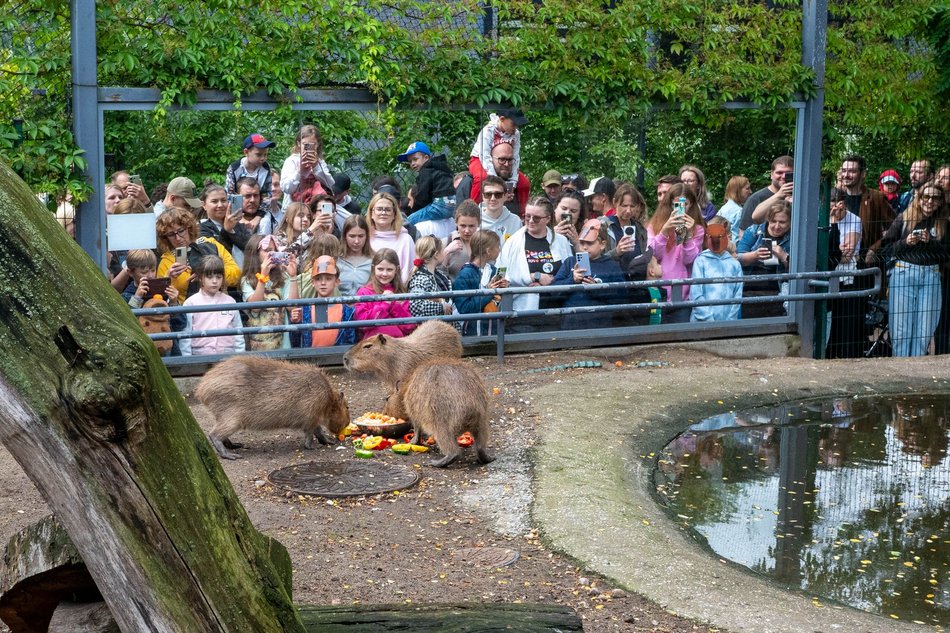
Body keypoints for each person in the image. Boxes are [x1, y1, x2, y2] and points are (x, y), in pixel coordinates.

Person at [879, 183, 949, 357]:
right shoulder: (904, 218)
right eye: (926, 197)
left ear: (941, 202)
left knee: (924, 331)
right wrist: (905, 242)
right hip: (903, 273)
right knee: (901, 331)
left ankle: (917, 375)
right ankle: (901, 372)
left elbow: (947, 255)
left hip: (931, 276)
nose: (930, 201)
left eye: (935, 198)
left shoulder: (944, 224)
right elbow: (885, 248)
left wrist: (931, 242)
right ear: (919, 199)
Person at [550, 220, 639, 330]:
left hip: (600, 328)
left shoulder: (612, 266)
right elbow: (553, 292)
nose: (585, 247)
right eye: (582, 242)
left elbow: (622, 299)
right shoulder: (570, 262)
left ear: (602, 244)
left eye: (590, 243)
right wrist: (572, 279)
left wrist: (598, 289)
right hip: (570, 327)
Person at [496, 196, 573, 312]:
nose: (531, 221)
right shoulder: (513, 242)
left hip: (557, 308)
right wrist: (533, 277)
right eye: (527, 217)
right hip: (522, 310)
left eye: (536, 218)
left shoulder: (561, 241)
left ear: (547, 219)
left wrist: (551, 283)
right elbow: (500, 276)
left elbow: (570, 273)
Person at [647, 183, 706, 322]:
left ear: (691, 205)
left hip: (683, 294)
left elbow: (690, 260)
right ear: (669, 205)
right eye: (676, 205)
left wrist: (687, 236)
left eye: (684, 204)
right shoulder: (654, 225)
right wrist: (664, 231)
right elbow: (653, 254)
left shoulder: (697, 229)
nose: (680, 209)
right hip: (657, 291)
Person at [156, 207, 241, 302]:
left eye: (181, 231)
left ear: (189, 228)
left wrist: (208, 273)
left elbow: (236, 275)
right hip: (186, 310)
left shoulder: (211, 245)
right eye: (171, 234)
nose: (178, 238)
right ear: (165, 237)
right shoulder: (166, 261)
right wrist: (167, 278)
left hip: (217, 305)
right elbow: (159, 297)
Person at [240, 234, 299, 350]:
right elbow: (255, 307)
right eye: (267, 251)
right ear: (255, 255)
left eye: (273, 251)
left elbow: (292, 306)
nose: (271, 255)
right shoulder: (246, 280)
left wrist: (293, 277)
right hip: (259, 345)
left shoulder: (283, 277)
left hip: (283, 345)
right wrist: (263, 276)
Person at [824, 188, 864, 359]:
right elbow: (828, 255)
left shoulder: (854, 219)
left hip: (846, 276)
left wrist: (833, 253)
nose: (837, 213)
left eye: (839, 210)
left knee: (843, 320)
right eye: (832, 209)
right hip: (827, 275)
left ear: (845, 205)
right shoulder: (822, 217)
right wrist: (832, 219)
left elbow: (847, 253)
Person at [737, 199, 792, 319]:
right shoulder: (754, 231)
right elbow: (737, 258)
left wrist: (784, 257)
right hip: (750, 290)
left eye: (782, 222)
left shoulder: (795, 236)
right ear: (768, 219)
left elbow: (801, 268)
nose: (777, 226)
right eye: (773, 221)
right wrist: (755, 255)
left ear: (790, 222)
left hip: (780, 293)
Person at [180, 255, 245, 356]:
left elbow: (238, 332)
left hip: (228, 357)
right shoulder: (190, 303)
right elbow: (186, 335)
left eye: (218, 277)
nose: (214, 281)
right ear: (201, 278)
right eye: (209, 277)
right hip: (200, 356)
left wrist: (240, 357)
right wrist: (187, 359)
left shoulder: (230, 302)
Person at [470, 107, 530, 210]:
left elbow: (515, 157)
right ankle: (472, 209)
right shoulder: (488, 131)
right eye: (513, 124)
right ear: (502, 119)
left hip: (505, 161)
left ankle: (523, 214)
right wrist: (497, 182)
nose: (515, 128)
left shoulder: (516, 134)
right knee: (482, 178)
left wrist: (513, 183)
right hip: (479, 159)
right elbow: (485, 157)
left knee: (524, 184)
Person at [293, 255, 357, 348]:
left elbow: (351, 341)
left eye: (328, 278)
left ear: (337, 282)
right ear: (313, 282)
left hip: (337, 359)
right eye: (318, 279)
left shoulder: (347, 311)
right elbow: (296, 342)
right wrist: (296, 323)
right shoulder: (305, 310)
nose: (323, 283)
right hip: (309, 359)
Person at [454, 229, 508, 335]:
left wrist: (502, 288)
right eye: (497, 246)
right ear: (488, 251)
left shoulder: (492, 269)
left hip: (492, 330)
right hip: (472, 333)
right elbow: (464, 309)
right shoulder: (466, 274)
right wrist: (489, 292)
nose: (499, 250)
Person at [354, 248, 415, 340]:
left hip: (399, 344)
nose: (384, 274)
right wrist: (384, 304)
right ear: (373, 268)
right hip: (374, 345)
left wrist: (393, 304)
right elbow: (362, 325)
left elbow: (409, 327)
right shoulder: (364, 292)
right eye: (380, 269)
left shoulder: (400, 293)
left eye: (389, 269)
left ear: (396, 269)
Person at [690, 217, 742, 322]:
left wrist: (730, 320)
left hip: (728, 324)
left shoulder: (735, 264)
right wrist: (708, 319)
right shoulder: (701, 261)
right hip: (701, 323)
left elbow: (738, 295)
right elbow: (696, 294)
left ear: (728, 237)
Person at [459, 140, 528, 215]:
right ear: (490, 159)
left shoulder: (518, 185)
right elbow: (460, 220)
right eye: (502, 159)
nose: (506, 164)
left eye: (510, 160)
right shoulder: (469, 183)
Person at [397, 141, 457, 225]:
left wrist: (414, 210)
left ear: (426, 158)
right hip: (452, 208)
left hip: (439, 207)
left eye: (415, 159)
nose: (413, 164)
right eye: (410, 161)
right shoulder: (439, 168)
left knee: (408, 220)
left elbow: (422, 196)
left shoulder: (426, 171)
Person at [280, 124, 335, 211]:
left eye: (312, 145)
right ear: (299, 144)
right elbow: (286, 188)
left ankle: (328, 219)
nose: (308, 148)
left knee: (330, 213)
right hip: (294, 210)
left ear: (318, 145)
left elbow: (331, 184)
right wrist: (299, 172)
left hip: (318, 209)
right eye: (305, 144)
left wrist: (316, 167)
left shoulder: (320, 162)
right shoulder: (291, 161)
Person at [198, 183, 252, 268]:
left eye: (223, 200)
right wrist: (226, 231)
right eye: (214, 201)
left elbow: (249, 248)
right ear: (204, 205)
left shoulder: (237, 224)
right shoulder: (200, 229)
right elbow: (215, 256)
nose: (220, 205)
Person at [366, 191, 415, 283]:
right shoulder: (365, 238)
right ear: (371, 213)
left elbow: (409, 272)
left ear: (394, 214)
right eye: (379, 209)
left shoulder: (405, 240)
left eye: (388, 210)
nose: (383, 213)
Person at [408, 236, 456, 324]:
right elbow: (415, 307)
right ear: (436, 255)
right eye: (442, 251)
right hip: (431, 330)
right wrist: (441, 306)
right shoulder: (421, 278)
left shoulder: (438, 275)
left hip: (441, 328)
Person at [738, 156, 793, 231]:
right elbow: (743, 231)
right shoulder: (756, 199)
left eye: (788, 173)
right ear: (771, 174)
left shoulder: (802, 196)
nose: (783, 176)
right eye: (779, 173)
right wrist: (779, 195)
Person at [225, 133, 275, 209]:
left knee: (266, 221)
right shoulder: (234, 168)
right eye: (258, 155)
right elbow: (230, 194)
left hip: (259, 209)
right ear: (246, 152)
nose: (263, 158)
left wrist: (259, 215)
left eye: (265, 155)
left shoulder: (265, 168)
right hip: (237, 209)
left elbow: (267, 194)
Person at [441, 200, 481, 279]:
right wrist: (446, 252)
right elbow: (437, 276)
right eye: (463, 226)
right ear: (456, 223)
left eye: (471, 226)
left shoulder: (484, 243)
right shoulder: (446, 242)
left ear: (479, 223)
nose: (467, 231)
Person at [479, 175, 523, 242]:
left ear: (505, 196)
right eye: (488, 194)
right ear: (483, 196)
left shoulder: (515, 221)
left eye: (498, 194)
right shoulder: (474, 220)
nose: (493, 198)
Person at [337, 214, 373, 296]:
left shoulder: (374, 261)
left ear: (366, 236)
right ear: (345, 236)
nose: (356, 241)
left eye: (361, 236)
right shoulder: (336, 260)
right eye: (352, 236)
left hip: (365, 306)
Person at [717, 176, 751, 241]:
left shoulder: (723, 208)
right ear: (737, 190)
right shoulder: (738, 211)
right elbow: (736, 238)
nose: (750, 191)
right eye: (747, 188)